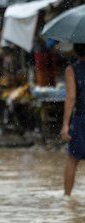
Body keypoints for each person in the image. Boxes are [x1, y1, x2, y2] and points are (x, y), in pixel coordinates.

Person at [60, 43, 85, 196]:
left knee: (72, 160)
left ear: (75, 51)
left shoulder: (71, 70)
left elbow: (71, 97)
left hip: (81, 119)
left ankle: (67, 198)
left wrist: (65, 124)